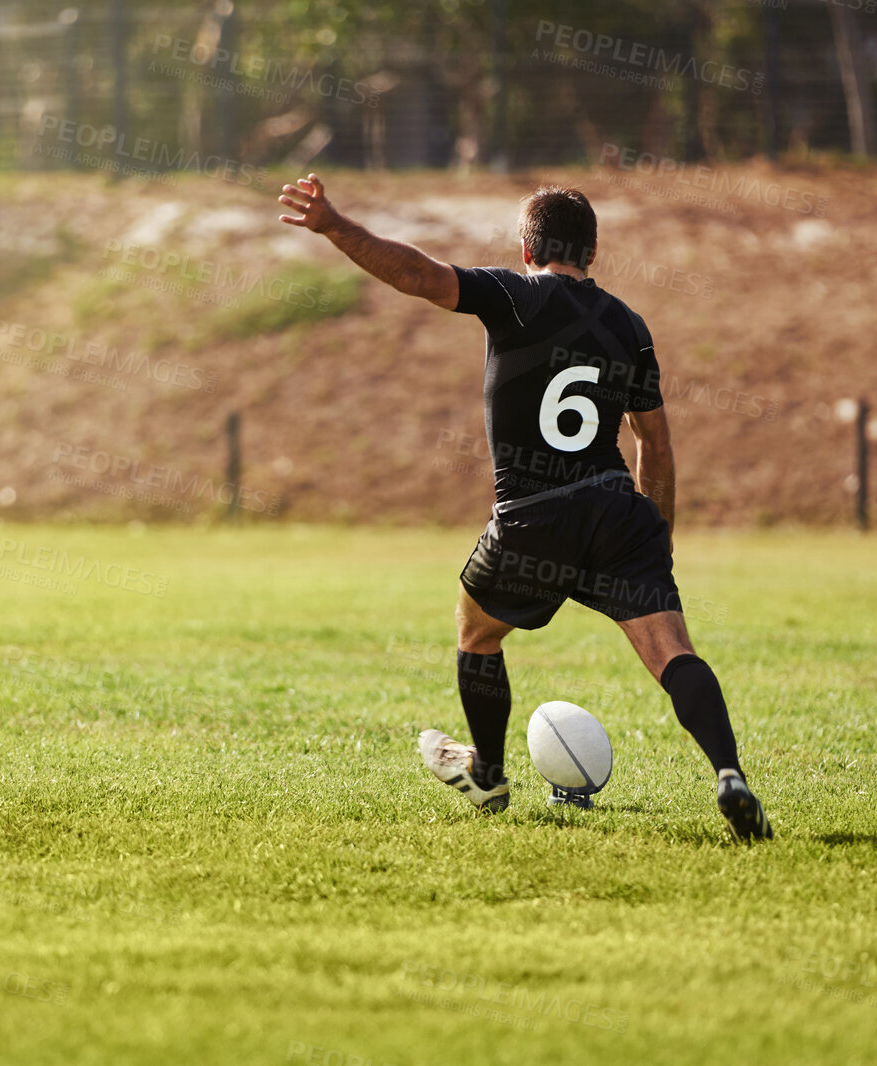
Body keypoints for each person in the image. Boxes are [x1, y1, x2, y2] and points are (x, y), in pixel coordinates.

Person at [277, 174, 771, 841]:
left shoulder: (513, 294)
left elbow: (418, 276)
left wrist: (336, 226)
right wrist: (656, 544)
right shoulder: (628, 325)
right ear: (591, 253)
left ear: (524, 246)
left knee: (476, 631)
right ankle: (729, 774)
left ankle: (486, 772)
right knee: (671, 651)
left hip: (533, 512)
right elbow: (652, 442)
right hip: (614, 512)